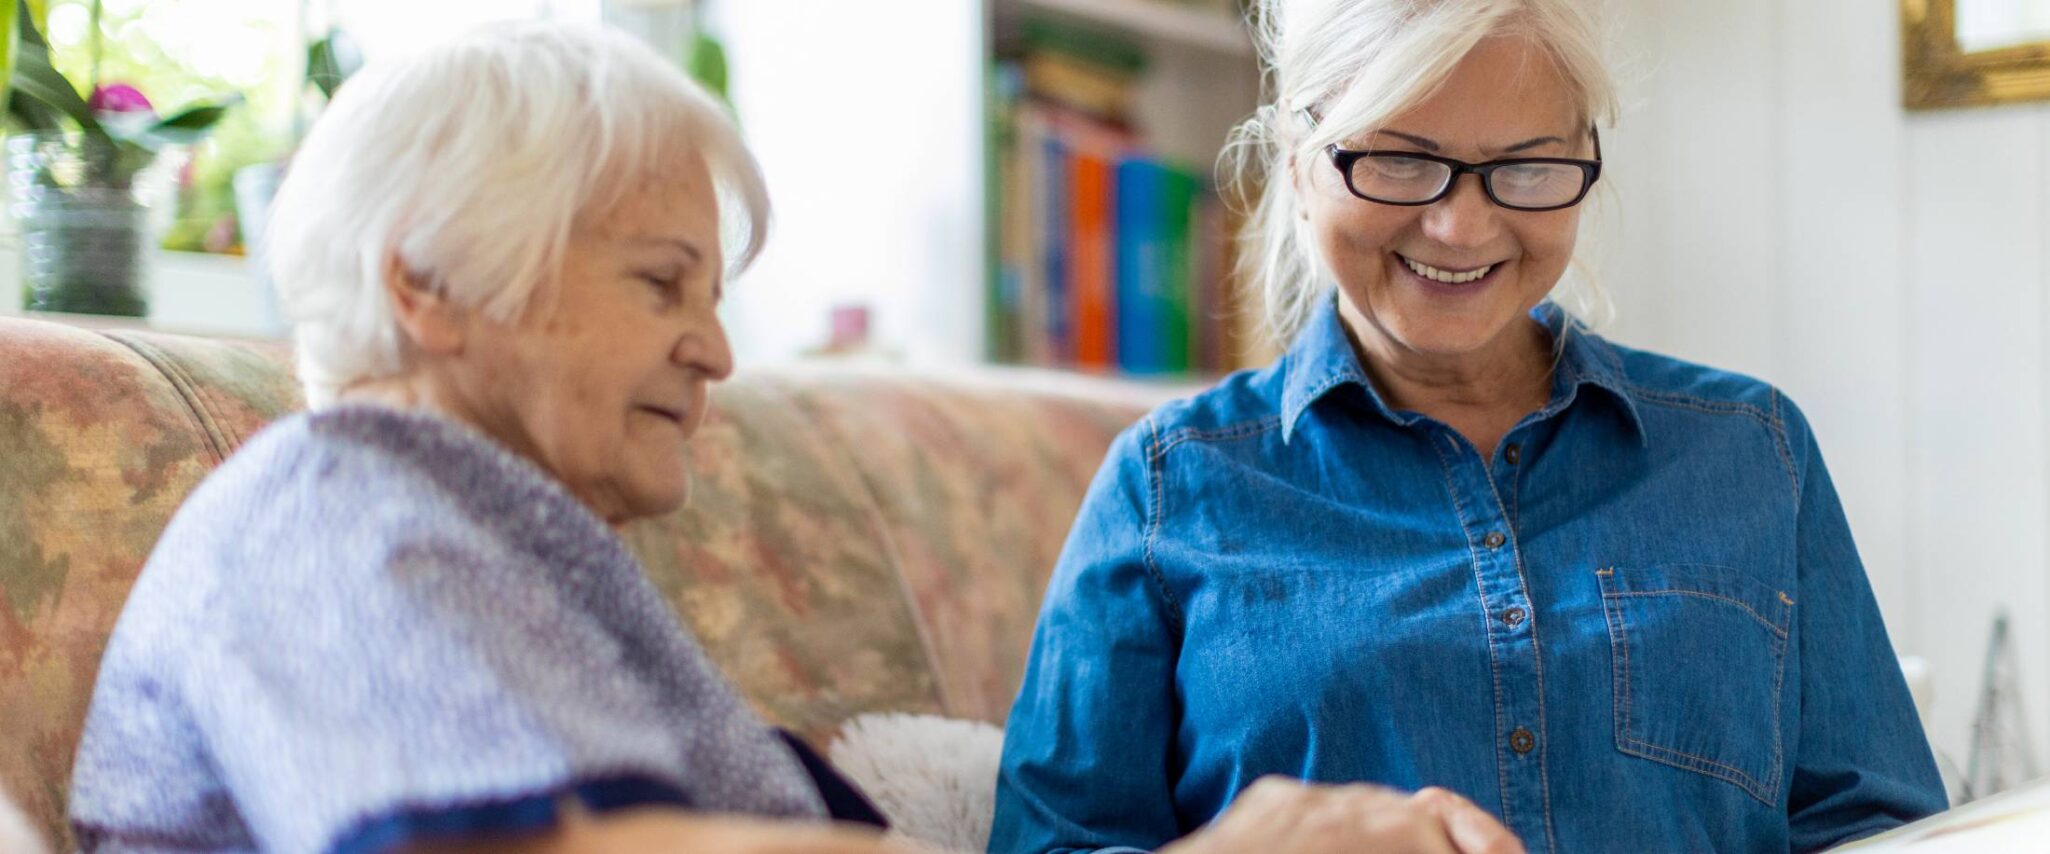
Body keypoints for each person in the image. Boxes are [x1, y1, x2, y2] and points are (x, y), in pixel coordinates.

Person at [66, 21, 1520, 854]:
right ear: (426, 286)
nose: (713, 350)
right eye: (659, 284)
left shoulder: (501, 549)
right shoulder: (332, 513)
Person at [991, 1, 1949, 852]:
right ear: (1297, 159)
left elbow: (1885, 831)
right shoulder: (1165, 488)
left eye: (1527, 168)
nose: (1460, 227)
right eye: (1402, 159)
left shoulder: (1753, 451)